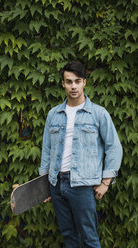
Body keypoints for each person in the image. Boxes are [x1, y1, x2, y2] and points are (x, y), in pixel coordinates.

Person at [39, 61, 123, 248]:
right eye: (69, 82)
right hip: (56, 183)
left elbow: (114, 148)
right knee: (69, 236)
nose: (73, 86)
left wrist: (106, 182)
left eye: (77, 81)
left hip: (83, 185)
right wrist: (44, 183)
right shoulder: (54, 114)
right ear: (63, 84)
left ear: (84, 82)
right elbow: (47, 149)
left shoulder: (98, 114)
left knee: (90, 238)